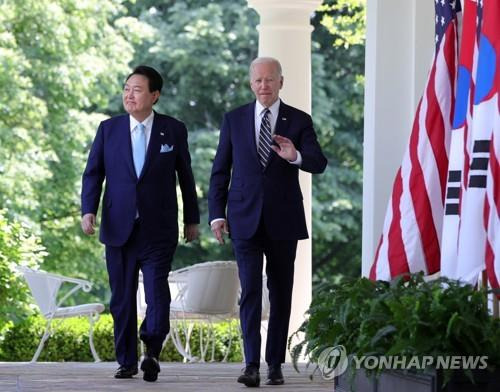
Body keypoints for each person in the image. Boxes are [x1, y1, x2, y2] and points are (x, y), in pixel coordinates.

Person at [208, 57, 327, 387]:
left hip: (283, 220)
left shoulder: (299, 121)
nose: (264, 86)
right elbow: (220, 171)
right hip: (243, 219)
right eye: (258, 80)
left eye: (270, 80)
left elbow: (319, 163)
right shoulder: (234, 119)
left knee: (281, 293)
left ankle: (274, 364)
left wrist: (296, 157)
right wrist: (216, 214)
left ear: (281, 83)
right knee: (249, 293)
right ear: (251, 84)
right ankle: (250, 366)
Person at [81, 65, 199, 382]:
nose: (129, 94)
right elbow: (93, 173)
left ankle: (152, 350)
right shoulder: (108, 129)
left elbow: (185, 177)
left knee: (157, 295)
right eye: (126, 88)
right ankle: (127, 361)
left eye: (137, 89)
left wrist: (192, 218)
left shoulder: (173, 130)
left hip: (158, 229)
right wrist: (87, 209)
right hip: (119, 228)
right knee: (121, 298)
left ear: (154, 95)